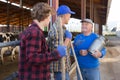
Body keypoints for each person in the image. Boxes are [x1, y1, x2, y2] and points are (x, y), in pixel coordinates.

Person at [18, 2, 69, 80]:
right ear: (44, 16)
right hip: (34, 76)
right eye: (49, 16)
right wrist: (56, 54)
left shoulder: (34, 30)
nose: (49, 19)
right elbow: (33, 58)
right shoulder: (35, 32)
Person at [48, 5, 75, 80]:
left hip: (64, 68)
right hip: (59, 69)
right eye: (70, 15)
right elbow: (58, 53)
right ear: (66, 15)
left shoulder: (62, 28)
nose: (70, 18)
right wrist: (67, 39)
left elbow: (66, 47)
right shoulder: (55, 29)